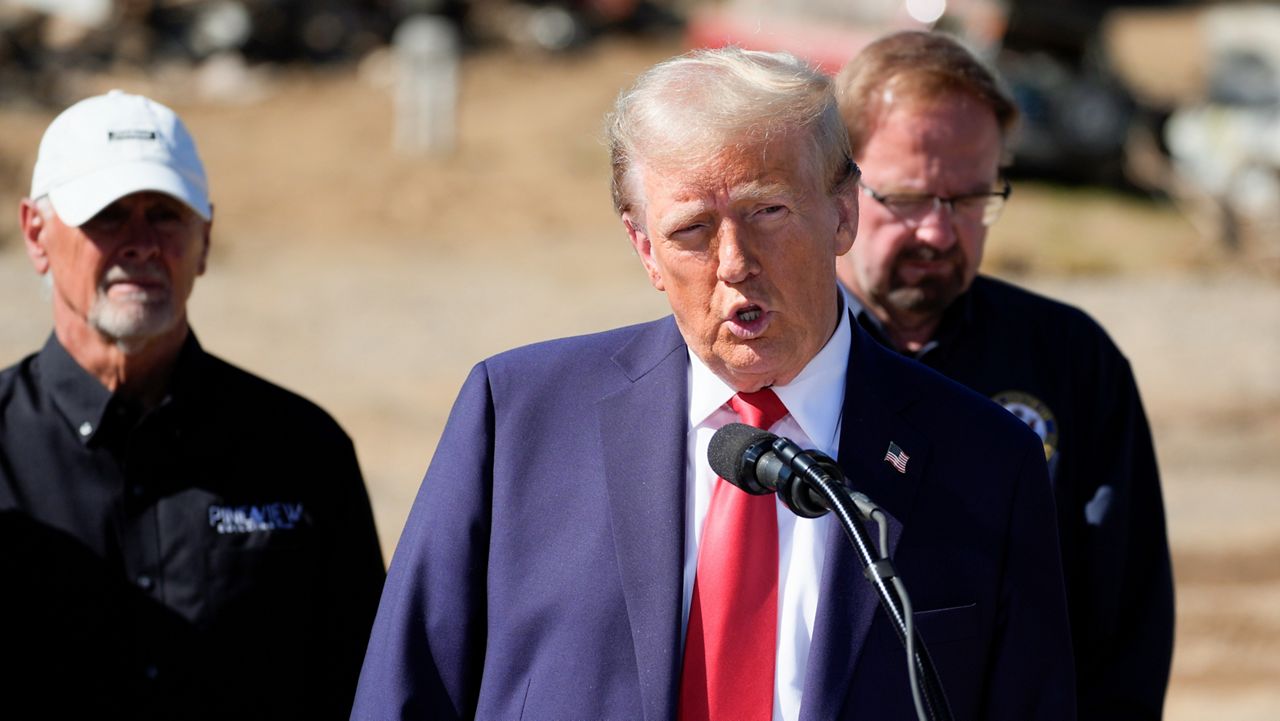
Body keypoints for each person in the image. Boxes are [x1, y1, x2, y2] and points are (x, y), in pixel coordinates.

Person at [352, 47, 1075, 720]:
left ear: (844, 213)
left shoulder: (986, 460)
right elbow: (405, 693)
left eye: (768, 211)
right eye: (692, 229)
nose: (734, 261)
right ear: (644, 248)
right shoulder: (516, 419)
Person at [0, 90, 386, 720]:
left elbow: (368, 686)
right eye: (109, 214)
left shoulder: (303, 450)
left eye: (166, 214)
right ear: (35, 234)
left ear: (205, 239)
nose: (142, 243)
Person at [833, 31, 1175, 720]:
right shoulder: (777, 363)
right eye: (908, 197)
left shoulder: (1071, 360)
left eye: (969, 199)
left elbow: (1125, 619)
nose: (937, 231)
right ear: (838, 187)